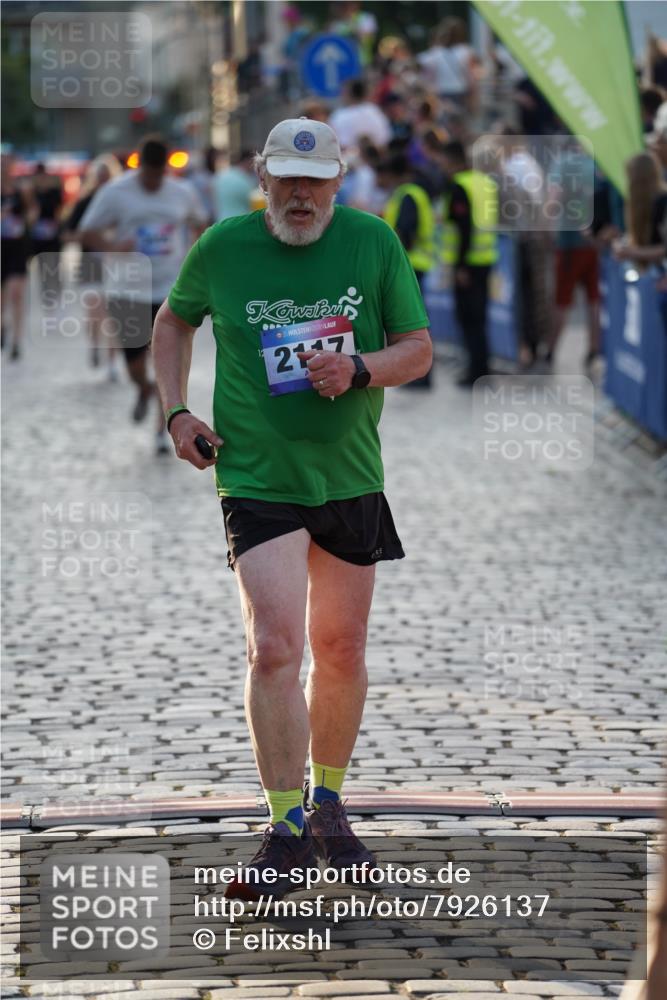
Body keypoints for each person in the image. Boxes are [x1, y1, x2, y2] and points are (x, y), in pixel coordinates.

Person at [151, 117, 431, 899]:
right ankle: (283, 826)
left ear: (339, 180)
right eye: (286, 179)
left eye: (315, 181)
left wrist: (360, 368)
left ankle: (329, 803)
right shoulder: (224, 245)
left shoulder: (373, 243)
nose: (300, 195)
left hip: (349, 475)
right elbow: (172, 321)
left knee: (339, 649)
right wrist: (175, 411)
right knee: (275, 648)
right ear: (260, 178)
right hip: (256, 477)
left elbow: (417, 347)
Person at [79, 135, 207, 454]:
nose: (152, 181)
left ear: (165, 169)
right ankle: (144, 388)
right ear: (140, 167)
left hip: (170, 289)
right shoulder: (116, 192)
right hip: (127, 290)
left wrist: (193, 256)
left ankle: (163, 432)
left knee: (171, 364)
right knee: (134, 365)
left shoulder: (182, 192)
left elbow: (201, 225)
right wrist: (111, 248)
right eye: (147, 175)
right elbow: (87, 230)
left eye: (157, 175)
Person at [439, 139, 499, 386]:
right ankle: (481, 366)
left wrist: (460, 266)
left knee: (469, 320)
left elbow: (464, 228)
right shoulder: (485, 182)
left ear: (452, 160)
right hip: (486, 259)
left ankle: (476, 372)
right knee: (480, 319)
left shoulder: (459, 186)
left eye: (443, 161)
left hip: (468, 263)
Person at [61, 153, 123, 374]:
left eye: (107, 176)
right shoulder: (85, 202)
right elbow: (67, 234)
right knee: (94, 311)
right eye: (100, 177)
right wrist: (89, 236)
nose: (103, 181)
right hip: (90, 262)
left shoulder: (120, 203)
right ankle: (95, 344)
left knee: (113, 314)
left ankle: (113, 361)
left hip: (115, 263)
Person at [1, 153, 34, 360]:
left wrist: (27, 220)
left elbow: (32, 211)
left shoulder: (22, 190)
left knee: (16, 294)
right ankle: (2, 326)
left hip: (17, 247)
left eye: (7, 164)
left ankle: (16, 341)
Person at [329, 79, 391, 151]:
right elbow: (385, 139)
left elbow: (334, 144)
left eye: (343, 92)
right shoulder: (376, 112)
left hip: (349, 159)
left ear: (348, 94)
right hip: (376, 159)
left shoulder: (340, 116)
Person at [214, 150, 256, 221]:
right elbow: (253, 202)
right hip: (240, 222)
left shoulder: (222, 175)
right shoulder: (245, 180)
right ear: (248, 162)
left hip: (221, 221)